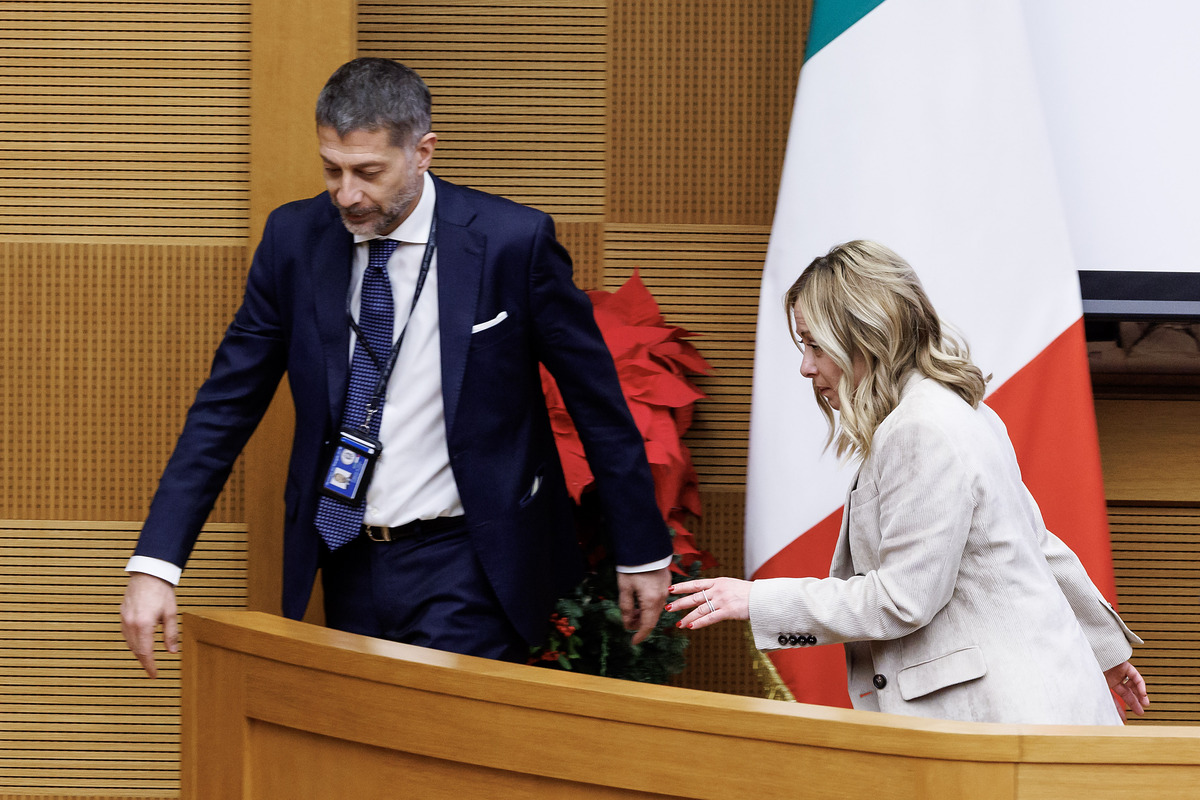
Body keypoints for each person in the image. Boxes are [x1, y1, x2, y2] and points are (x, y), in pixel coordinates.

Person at [121, 57, 672, 676]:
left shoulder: (511, 243)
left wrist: (641, 550)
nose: (347, 194)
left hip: (470, 555)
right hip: (348, 554)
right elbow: (226, 405)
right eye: (332, 170)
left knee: (440, 741)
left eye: (368, 172)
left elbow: (595, 400)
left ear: (423, 152)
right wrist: (156, 563)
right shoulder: (293, 241)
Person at [669, 240, 1149, 724]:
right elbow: (1037, 545)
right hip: (1037, 709)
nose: (805, 366)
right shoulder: (967, 413)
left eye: (815, 344)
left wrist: (756, 600)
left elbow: (903, 601)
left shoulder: (921, 429)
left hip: (1000, 726)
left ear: (864, 337)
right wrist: (1104, 649)